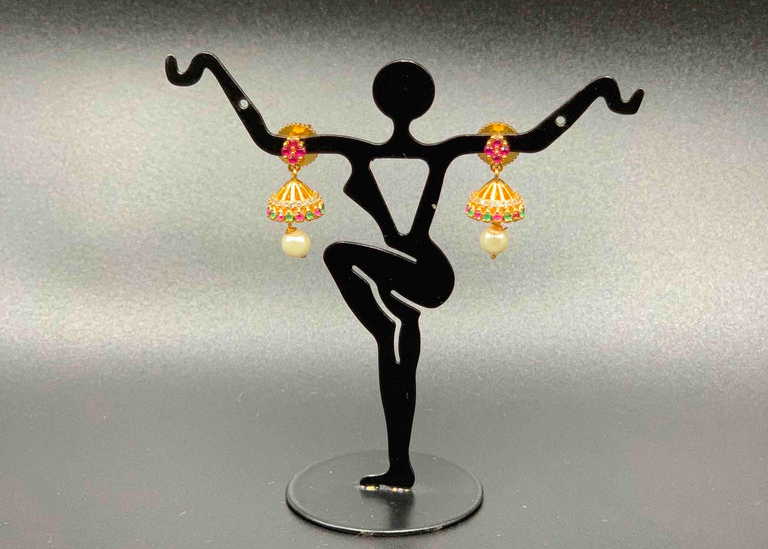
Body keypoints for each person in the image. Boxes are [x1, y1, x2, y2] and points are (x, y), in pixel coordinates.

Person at [166, 54, 643, 489]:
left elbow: (538, 138)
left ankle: (387, 327)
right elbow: (268, 138)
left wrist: (599, 91)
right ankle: (400, 459)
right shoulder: (414, 150)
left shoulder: (401, 151)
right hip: (410, 276)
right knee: (378, 329)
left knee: (340, 259)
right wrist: (209, 68)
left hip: (430, 276)